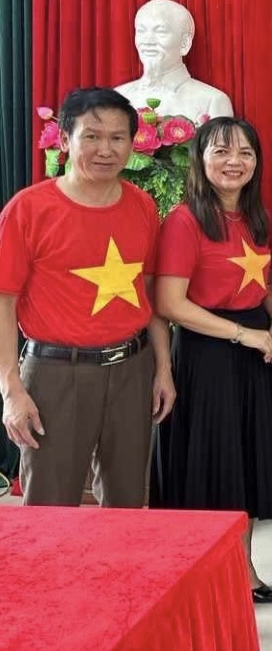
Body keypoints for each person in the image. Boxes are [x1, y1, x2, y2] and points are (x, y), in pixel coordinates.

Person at [0, 87, 175, 506]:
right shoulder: (28, 209)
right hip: (56, 373)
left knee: (128, 500)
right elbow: (3, 301)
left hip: (132, 369)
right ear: (64, 140)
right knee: (51, 505)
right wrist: (10, 388)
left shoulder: (142, 206)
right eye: (92, 136)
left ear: (132, 145)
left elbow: (149, 293)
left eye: (117, 138)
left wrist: (163, 368)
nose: (105, 150)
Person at [152, 117, 272, 603]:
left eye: (245, 153)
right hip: (207, 354)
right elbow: (170, 304)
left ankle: (242, 566)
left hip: (256, 354)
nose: (235, 162)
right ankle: (201, 571)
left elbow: (267, 281)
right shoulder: (184, 221)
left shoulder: (256, 217)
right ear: (200, 159)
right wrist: (243, 335)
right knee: (213, 465)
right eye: (222, 151)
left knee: (248, 464)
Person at [115, 0, 233, 119]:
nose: (148, 41)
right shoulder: (119, 97)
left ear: (184, 43)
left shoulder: (212, 102)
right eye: (141, 31)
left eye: (160, 31)